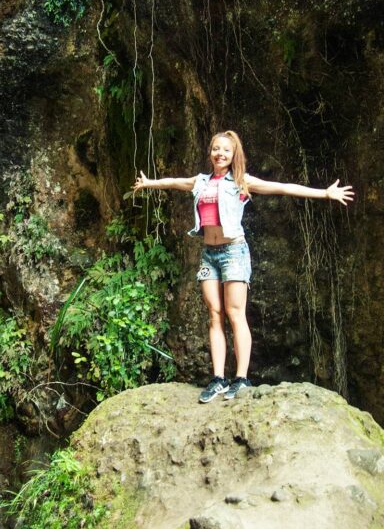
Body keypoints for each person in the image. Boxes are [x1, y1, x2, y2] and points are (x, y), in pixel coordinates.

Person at [133, 130, 354, 402]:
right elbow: (175, 182)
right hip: (209, 254)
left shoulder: (241, 181)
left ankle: (241, 378)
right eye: (216, 148)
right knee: (214, 314)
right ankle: (218, 379)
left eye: (226, 150)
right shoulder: (201, 181)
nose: (220, 154)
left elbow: (283, 187)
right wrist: (150, 183)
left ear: (233, 154)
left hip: (234, 252)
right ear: (210, 152)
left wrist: (325, 193)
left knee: (234, 312)